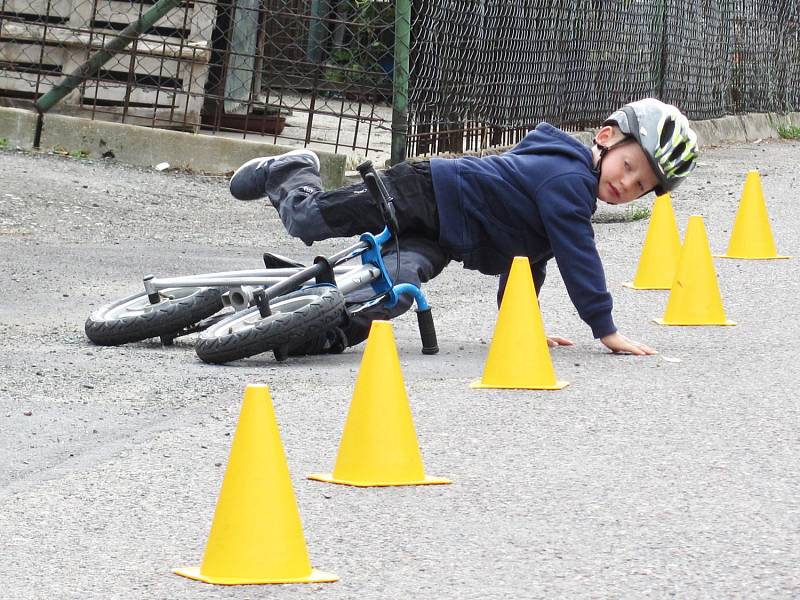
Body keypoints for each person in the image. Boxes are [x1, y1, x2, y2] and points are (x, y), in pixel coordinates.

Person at [229, 98, 699, 356]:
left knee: (395, 290)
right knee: (307, 219)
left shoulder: (566, 192)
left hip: (440, 237)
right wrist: (604, 327)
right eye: (631, 165)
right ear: (606, 138)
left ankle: (312, 329)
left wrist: (522, 324)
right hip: (422, 192)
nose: (628, 184)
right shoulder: (570, 179)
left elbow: (525, 262)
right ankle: (293, 171)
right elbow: (579, 255)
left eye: (643, 186)